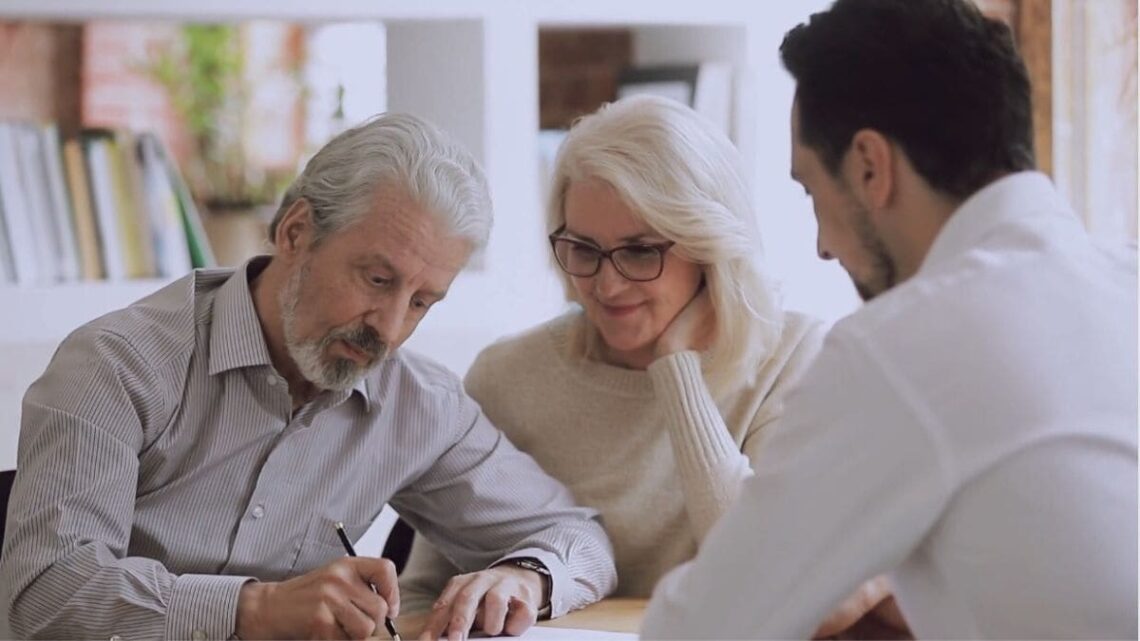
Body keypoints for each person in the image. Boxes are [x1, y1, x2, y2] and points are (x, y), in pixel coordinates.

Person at [0, 113, 616, 641]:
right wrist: (256, 607)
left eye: (423, 301)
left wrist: (525, 578)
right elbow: (43, 593)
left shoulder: (418, 405)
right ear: (296, 231)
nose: (391, 327)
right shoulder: (117, 364)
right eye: (376, 280)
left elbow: (577, 538)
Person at [641, 0, 1138, 639]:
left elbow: (705, 627)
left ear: (871, 167)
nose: (822, 244)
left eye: (811, 190)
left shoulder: (903, 345)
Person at [399, 95, 888, 637]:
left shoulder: (795, 358)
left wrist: (678, 371)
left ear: (708, 246)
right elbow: (422, 589)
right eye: (583, 249)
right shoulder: (507, 375)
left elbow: (766, 569)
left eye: (638, 252)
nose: (606, 285)